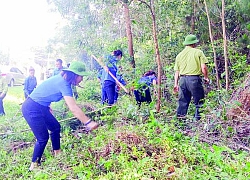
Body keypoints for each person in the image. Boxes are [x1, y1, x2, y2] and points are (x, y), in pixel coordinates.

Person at [21, 61, 99, 171]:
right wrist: (88, 122)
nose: (82, 79)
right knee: (43, 138)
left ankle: (57, 153)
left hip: (41, 106)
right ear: (75, 75)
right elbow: (74, 108)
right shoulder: (64, 84)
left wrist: (47, 105)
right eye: (81, 76)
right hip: (31, 107)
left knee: (55, 127)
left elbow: (46, 91)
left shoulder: (62, 79)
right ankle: (34, 165)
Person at [173, 34, 209, 120]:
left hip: (182, 80)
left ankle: (180, 123)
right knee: (199, 102)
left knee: (183, 102)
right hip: (194, 80)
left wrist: (176, 84)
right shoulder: (198, 52)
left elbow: (177, 71)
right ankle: (198, 122)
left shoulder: (179, 55)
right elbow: (203, 67)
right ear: (194, 43)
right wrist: (206, 77)